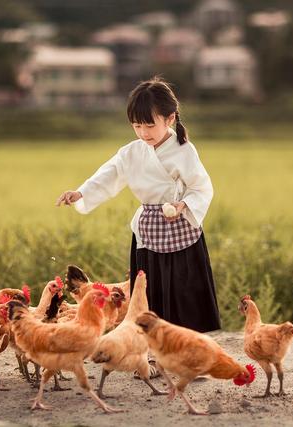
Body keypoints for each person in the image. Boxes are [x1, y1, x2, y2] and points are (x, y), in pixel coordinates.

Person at [56, 77, 220, 333]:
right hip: (149, 232)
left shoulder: (184, 151)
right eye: (137, 126)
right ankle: (151, 351)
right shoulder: (130, 153)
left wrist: (182, 205)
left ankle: (189, 352)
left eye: (150, 125)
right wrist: (80, 192)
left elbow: (202, 187)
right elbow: (107, 175)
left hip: (181, 227)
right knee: (148, 293)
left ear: (170, 118)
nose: (144, 133)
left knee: (183, 291)